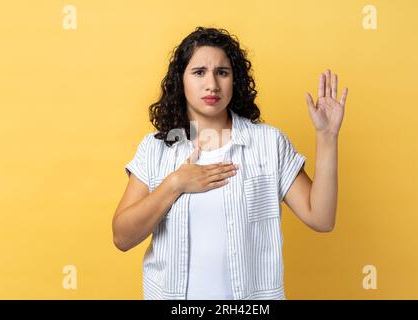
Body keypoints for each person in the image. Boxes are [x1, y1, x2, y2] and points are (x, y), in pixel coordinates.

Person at [112, 26, 348, 300]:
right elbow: (122, 238)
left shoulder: (269, 144)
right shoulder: (155, 148)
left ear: (234, 80)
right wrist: (175, 184)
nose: (212, 83)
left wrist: (327, 136)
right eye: (199, 72)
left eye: (222, 72)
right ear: (181, 80)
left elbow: (321, 218)